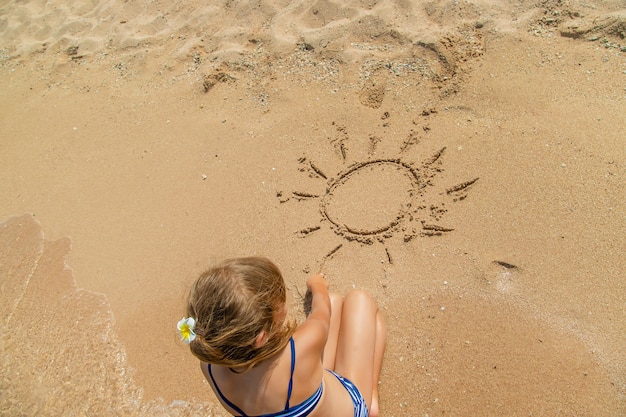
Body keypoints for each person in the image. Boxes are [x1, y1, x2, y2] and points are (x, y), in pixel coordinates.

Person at [178, 257, 386, 417]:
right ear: (261, 337)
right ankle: (371, 397)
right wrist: (317, 285)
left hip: (297, 392)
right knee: (359, 301)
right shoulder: (300, 347)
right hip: (349, 409)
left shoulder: (210, 368)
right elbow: (321, 312)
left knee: (336, 302)